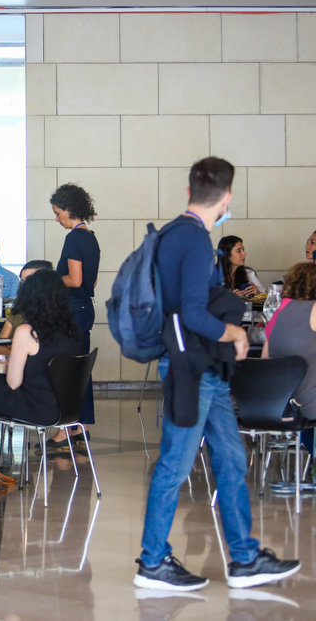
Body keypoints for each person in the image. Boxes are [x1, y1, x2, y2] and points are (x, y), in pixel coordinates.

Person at [134, 156, 298, 591]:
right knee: (175, 463)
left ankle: (244, 559)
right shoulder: (191, 239)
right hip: (191, 367)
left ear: (190, 192)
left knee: (231, 458)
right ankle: (152, 562)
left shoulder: (177, 233)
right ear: (227, 197)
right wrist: (235, 333)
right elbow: (191, 313)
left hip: (206, 368)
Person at [0, 269, 82, 496]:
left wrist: (8, 365)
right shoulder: (72, 332)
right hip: (64, 410)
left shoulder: (27, 331)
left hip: (33, 408)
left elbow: (13, 383)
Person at [48, 183, 100, 447]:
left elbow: (76, 280)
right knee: (80, 369)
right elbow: (92, 282)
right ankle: (80, 426)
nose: (57, 219)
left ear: (69, 209)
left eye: (58, 213)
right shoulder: (91, 237)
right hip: (85, 308)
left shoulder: (74, 238)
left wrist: (49, 279)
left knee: (66, 370)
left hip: (71, 310)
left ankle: (65, 429)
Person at [263, 262, 316, 465]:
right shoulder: (314, 309)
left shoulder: (279, 313)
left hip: (278, 402)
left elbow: (265, 360)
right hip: (306, 403)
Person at [0, 260, 53, 357]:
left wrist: (14, 347)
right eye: (23, 281)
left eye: (30, 280)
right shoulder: (18, 312)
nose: (26, 285)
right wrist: (22, 351)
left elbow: (44, 353)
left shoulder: (57, 314)